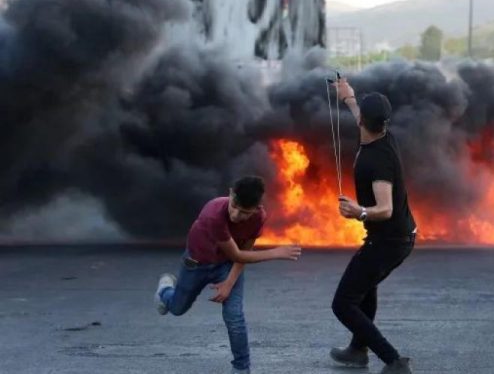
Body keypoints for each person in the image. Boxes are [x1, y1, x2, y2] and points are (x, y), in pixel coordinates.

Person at [154, 176, 302, 374]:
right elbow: (237, 254)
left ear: (256, 209)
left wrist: (229, 283)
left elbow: (244, 253)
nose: (236, 215)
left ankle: (241, 368)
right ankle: (165, 290)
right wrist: (276, 253)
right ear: (231, 193)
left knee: (234, 316)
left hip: (226, 265)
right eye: (234, 206)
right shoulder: (213, 214)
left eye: (245, 212)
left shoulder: (258, 217)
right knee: (177, 308)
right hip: (196, 264)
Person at [330, 79, 417, 374]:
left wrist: (360, 212)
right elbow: (361, 117)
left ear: (365, 123)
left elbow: (385, 208)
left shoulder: (378, 161)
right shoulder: (381, 134)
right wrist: (349, 97)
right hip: (396, 238)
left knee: (343, 303)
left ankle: (394, 361)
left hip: (389, 242)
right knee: (364, 289)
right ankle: (357, 350)